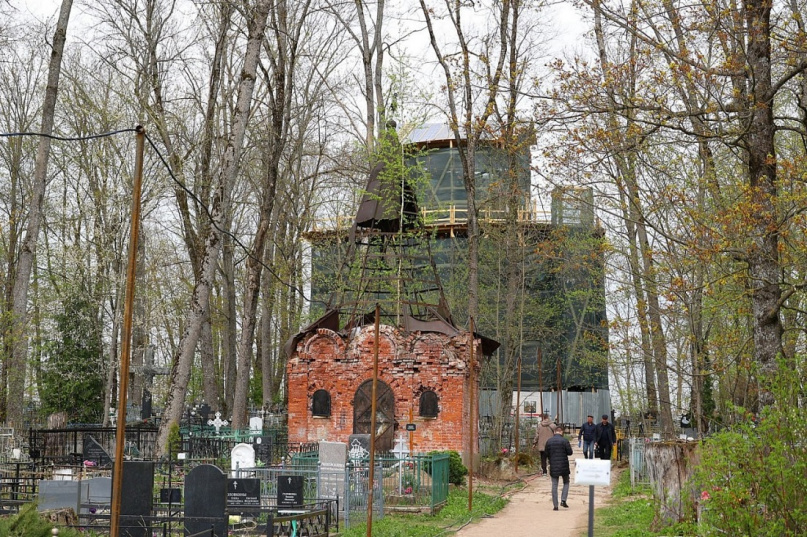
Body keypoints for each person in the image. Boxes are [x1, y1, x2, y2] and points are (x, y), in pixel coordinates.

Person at [545, 425, 573, 510]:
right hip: (564, 465)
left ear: (554, 432)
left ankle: (555, 505)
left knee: (554, 485)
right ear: (561, 432)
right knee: (566, 482)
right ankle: (563, 500)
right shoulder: (565, 441)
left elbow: (546, 454)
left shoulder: (549, 441)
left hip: (553, 465)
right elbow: (570, 452)